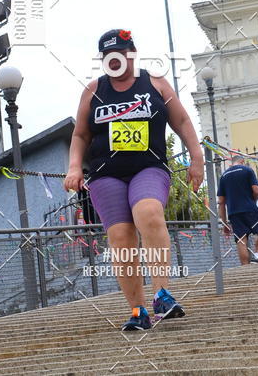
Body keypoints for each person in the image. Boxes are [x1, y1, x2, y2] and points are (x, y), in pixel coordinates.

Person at [64, 28, 204, 331]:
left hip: (148, 167)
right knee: (121, 237)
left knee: (148, 212)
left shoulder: (154, 82)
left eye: (119, 54)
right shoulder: (93, 90)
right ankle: (138, 311)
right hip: (105, 175)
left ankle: (162, 294)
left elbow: (180, 120)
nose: (114, 60)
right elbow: (80, 134)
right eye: (107, 56)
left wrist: (197, 158)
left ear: (132, 53)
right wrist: (74, 167)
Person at [217, 154, 258, 264]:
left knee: (241, 239)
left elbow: (221, 202)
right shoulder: (247, 170)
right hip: (250, 209)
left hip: (234, 213)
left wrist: (224, 223)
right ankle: (257, 256)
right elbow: (256, 191)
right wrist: (253, 201)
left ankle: (245, 268)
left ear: (232, 163)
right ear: (242, 161)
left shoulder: (224, 176)